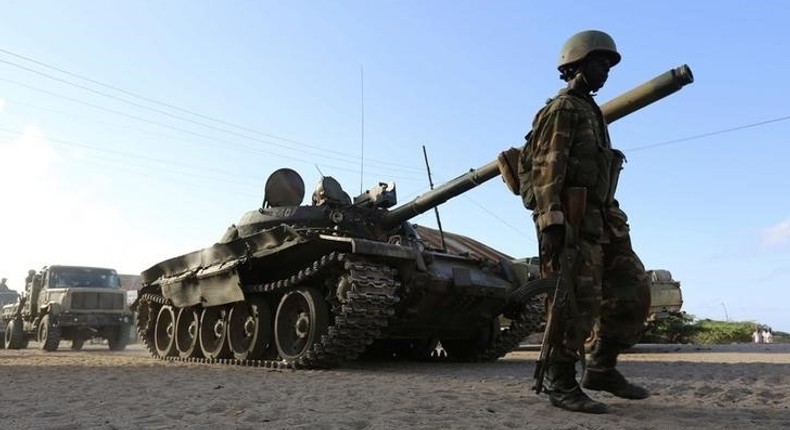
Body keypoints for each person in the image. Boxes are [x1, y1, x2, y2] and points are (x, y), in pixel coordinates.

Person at [518, 30, 651, 414]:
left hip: (604, 219)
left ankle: (602, 367)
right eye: (598, 64)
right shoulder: (562, 109)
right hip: (571, 219)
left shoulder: (591, 110)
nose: (606, 71)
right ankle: (561, 382)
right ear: (575, 66)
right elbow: (547, 166)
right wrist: (552, 222)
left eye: (609, 65)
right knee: (574, 300)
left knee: (633, 290)